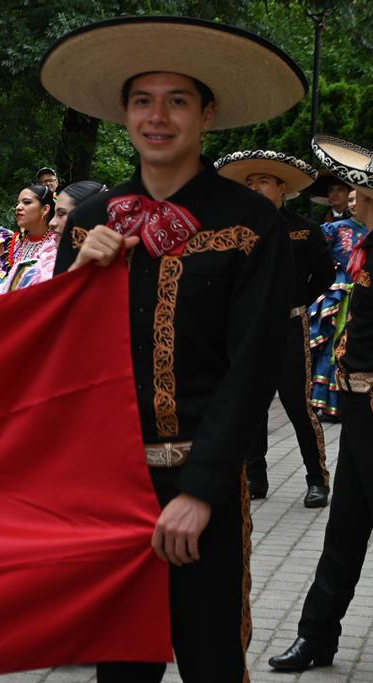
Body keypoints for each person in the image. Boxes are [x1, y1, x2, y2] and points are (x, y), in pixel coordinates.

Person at [41, 16, 302, 681]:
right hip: (112, 488)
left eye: (177, 100)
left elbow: (254, 368)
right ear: (124, 114)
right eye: (142, 101)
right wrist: (76, 280)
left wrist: (202, 489)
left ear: (206, 113)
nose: (157, 117)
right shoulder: (93, 220)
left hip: (201, 485)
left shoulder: (251, 222)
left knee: (211, 659)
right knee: (121, 669)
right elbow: (55, 357)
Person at [269, 135, 373, 672]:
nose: (351, 196)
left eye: (360, 190)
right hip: (359, 411)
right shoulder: (364, 247)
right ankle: (317, 637)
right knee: (344, 528)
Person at [214, 150, 335, 506]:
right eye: (250, 183)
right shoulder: (237, 232)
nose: (255, 188)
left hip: (288, 328)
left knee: (297, 405)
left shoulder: (305, 230)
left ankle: (317, 479)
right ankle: (255, 479)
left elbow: (325, 275)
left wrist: (297, 301)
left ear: (282, 188)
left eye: (263, 181)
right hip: (248, 331)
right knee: (251, 406)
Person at [308, 200, 369, 421]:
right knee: (333, 345)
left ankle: (352, 400)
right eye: (350, 199)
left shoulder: (369, 228)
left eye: (356, 198)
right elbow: (317, 256)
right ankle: (327, 402)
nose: (353, 203)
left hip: (363, 292)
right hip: (340, 294)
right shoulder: (334, 227)